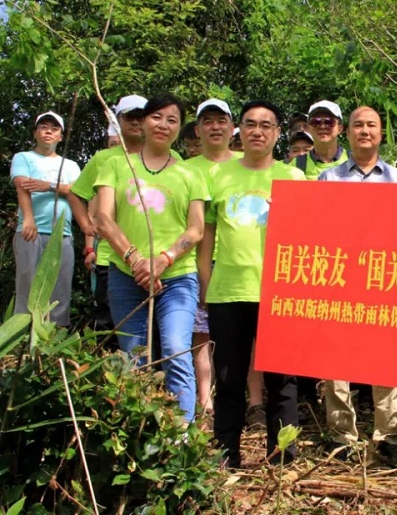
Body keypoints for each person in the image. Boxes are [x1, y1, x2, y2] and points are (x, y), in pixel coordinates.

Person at [198, 99, 305, 468]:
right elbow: (206, 239)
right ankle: (227, 455)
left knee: (282, 381)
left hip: (279, 294)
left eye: (266, 125)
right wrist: (206, 285)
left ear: (277, 133)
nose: (257, 131)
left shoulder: (293, 178)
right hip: (229, 291)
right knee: (228, 380)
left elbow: (307, 241)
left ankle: (283, 459)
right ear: (238, 130)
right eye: (250, 124)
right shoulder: (218, 177)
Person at [94, 94, 207, 421]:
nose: (164, 125)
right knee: (134, 358)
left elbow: (196, 229)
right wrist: (134, 259)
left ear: (180, 129)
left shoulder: (190, 173)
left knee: (175, 349)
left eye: (172, 120)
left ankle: (181, 441)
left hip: (177, 279)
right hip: (125, 276)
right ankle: (139, 434)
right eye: (157, 117)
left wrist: (164, 259)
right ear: (143, 122)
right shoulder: (115, 164)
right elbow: (103, 217)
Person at [318, 106, 397, 464]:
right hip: (340, 277)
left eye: (372, 125)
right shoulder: (329, 179)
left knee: (386, 359)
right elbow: (318, 228)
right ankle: (342, 437)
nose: (365, 131)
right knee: (336, 360)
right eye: (358, 125)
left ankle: (388, 436)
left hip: (385, 279)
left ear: (381, 133)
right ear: (347, 132)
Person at [71, 95, 165, 333]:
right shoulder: (104, 159)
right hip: (110, 258)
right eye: (128, 117)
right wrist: (86, 226)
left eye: (140, 116)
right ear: (118, 120)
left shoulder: (166, 157)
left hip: (156, 257)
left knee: (156, 324)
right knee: (110, 322)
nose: (135, 122)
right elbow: (75, 194)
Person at [186, 98, 250, 417]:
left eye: (221, 120)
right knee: (201, 334)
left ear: (231, 126)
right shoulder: (183, 168)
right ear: (197, 130)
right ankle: (205, 401)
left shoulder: (246, 164)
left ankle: (253, 403)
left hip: (241, 263)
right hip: (196, 263)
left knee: (244, 338)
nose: (214, 126)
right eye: (207, 121)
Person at [11, 111, 86, 326]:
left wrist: (48, 186)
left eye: (54, 129)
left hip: (62, 233)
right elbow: (22, 186)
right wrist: (28, 219)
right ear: (35, 132)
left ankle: (53, 343)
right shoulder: (24, 157)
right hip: (31, 232)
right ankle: (22, 341)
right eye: (43, 127)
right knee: (28, 286)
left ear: (60, 136)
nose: (49, 131)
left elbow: (77, 192)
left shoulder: (70, 165)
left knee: (60, 288)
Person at [294, 100, 348, 178]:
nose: (322, 126)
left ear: (340, 128)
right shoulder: (295, 165)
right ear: (308, 128)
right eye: (316, 122)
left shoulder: (354, 162)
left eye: (329, 122)